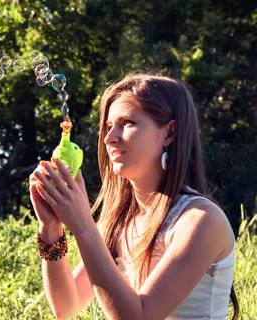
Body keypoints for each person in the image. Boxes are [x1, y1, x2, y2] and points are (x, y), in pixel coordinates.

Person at [29, 73, 239, 319]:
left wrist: (83, 225)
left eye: (127, 123)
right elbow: (67, 305)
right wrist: (50, 228)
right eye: (108, 127)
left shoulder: (200, 220)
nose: (109, 138)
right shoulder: (119, 222)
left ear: (169, 133)